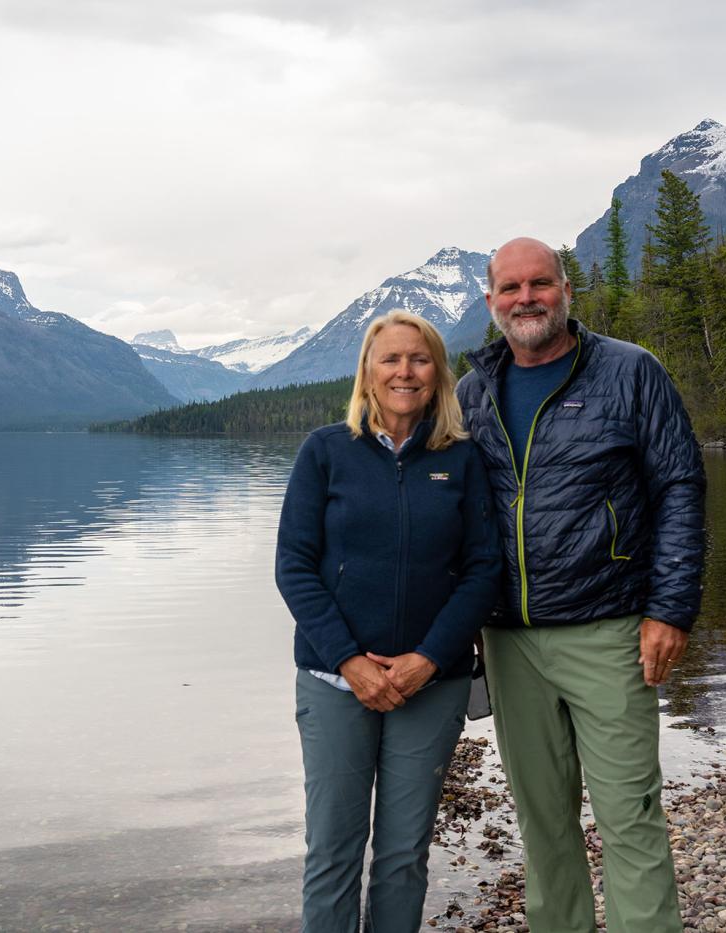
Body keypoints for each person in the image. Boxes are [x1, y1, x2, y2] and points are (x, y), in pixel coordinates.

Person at [455, 237, 705, 933]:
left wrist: (671, 606)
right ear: (491, 302)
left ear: (567, 290)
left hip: (611, 629)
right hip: (508, 640)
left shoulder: (629, 371)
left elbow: (679, 487)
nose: (526, 298)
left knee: (629, 815)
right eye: (511, 287)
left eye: (540, 283)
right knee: (543, 826)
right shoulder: (474, 391)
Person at [276, 310, 502, 933]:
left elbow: (484, 569)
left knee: (404, 856)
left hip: (433, 683)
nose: (405, 371)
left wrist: (427, 658)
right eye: (391, 359)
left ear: (438, 374)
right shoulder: (325, 451)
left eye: (419, 359)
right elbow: (293, 566)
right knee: (332, 853)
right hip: (333, 682)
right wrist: (349, 660)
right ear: (368, 374)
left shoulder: (461, 459)